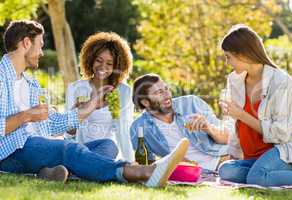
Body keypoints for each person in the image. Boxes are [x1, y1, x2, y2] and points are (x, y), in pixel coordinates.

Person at [0, 20, 190, 187]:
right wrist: (27, 116)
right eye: (40, 46)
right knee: (70, 149)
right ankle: (142, 172)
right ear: (26, 43)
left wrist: (91, 104)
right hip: (11, 152)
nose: (41, 52)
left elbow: (52, 125)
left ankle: (56, 172)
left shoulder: (30, 83)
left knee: (104, 146)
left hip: (37, 147)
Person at [218, 24, 292, 186]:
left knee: (256, 178)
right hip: (254, 156)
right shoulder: (235, 80)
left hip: (280, 151)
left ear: (243, 55)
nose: (227, 63)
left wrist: (242, 115)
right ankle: (274, 173)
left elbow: (282, 132)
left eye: (229, 57)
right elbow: (235, 124)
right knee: (226, 170)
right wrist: (233, 153)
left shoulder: (281, 82)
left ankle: (276, 171)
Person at [130, 74, 230, 171]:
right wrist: (177, 161)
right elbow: (147, 164)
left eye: (166, 89)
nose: (167, 95)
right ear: (145, 102)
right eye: (159, 92)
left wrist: (208, 128)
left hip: (225, 159)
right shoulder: (139, 127)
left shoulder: (192, 103)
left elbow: (226, 138)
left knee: (230, 171)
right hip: (190, 173)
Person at [65, 32, 134, 162]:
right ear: (90, 60)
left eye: (109, 63)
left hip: (107, 150)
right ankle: (84, 167)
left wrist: (130, 161)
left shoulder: (123, 91)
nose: (103, 67)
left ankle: (76, 168)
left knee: (109, 146)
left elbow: (123, 130)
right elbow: (69, 134)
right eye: (99, 60)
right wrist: (75, 116)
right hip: (81, 148)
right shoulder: (75, 88)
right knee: (68, 150)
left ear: (117, 66)